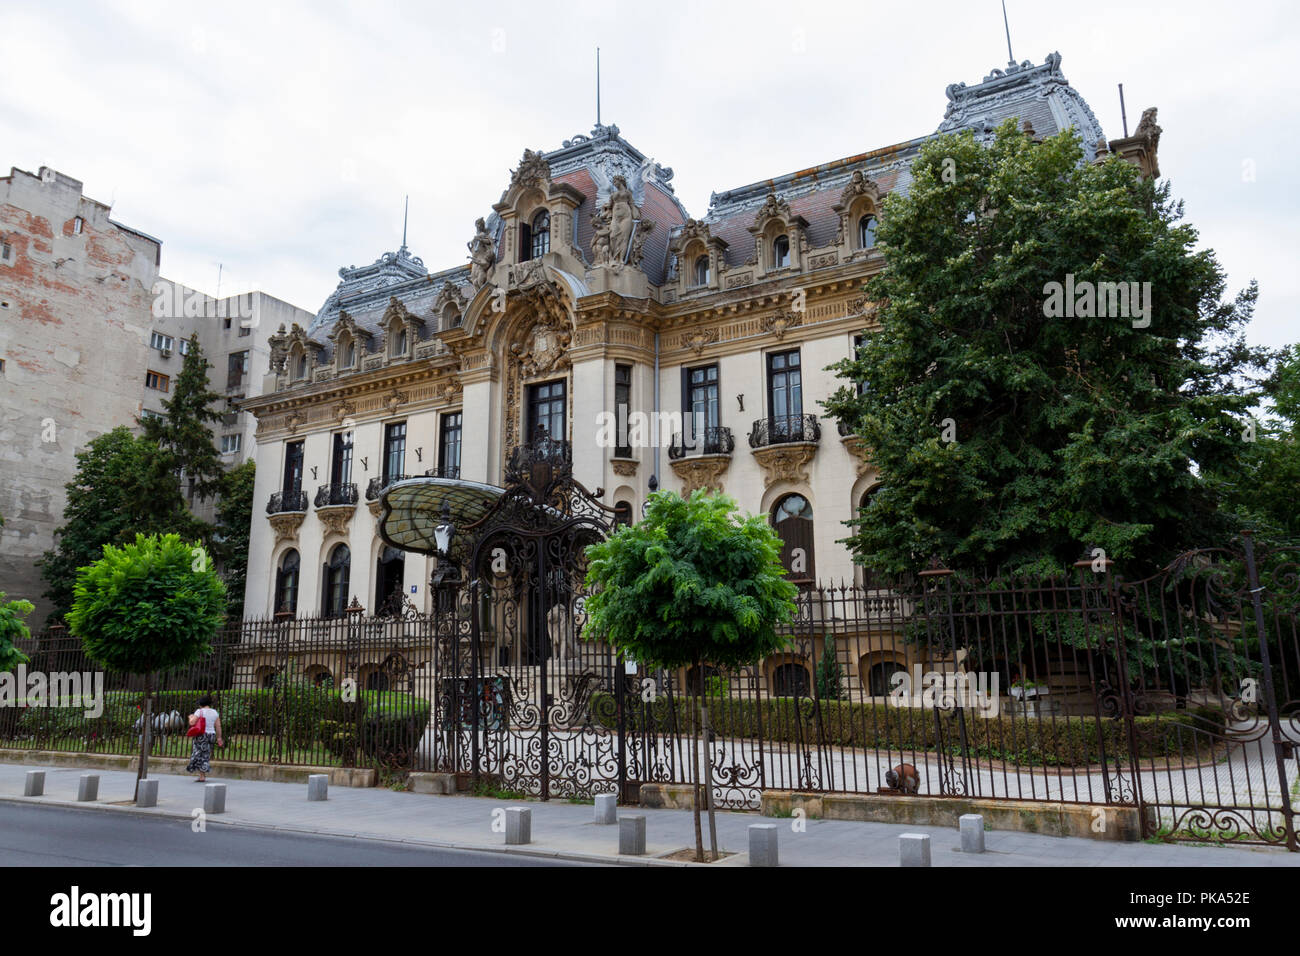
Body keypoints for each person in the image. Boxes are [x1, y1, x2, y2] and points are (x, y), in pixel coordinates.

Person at [186, 694, 223, 782]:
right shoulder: (215, 712)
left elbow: (192, 723)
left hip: (201, 735)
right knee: (206, 755)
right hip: (212, 735)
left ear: (200, 704)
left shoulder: (199, 711)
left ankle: (201, 775)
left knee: (198, 754)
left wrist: (190, 717)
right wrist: (219, 738)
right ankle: (202, 774)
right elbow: (218, 726)